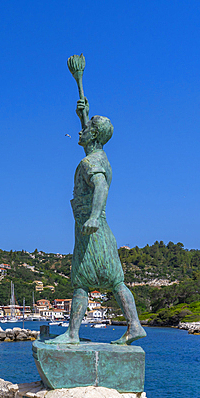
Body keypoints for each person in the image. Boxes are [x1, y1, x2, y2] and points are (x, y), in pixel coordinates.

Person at [51, 98, 146, 346]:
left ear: (93, 135)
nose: (80, 132)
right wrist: (85, 115)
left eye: (86, 128)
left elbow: (101, 187)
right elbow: (89, 143)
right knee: (116, 281)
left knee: (81, 282)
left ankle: (72, 334)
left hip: (90, 228)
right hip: (100, 229)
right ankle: (134, 325)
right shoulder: (99, 155)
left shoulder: (90, 163)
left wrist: (93, 216)